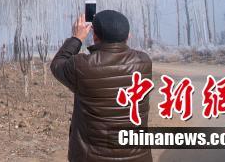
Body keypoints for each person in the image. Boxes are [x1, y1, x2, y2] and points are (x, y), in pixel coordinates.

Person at [50, 9, 152, 161]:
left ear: (95, 36)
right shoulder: (144, 62)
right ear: (128, 36)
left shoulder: (82, 66)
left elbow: (58, 63)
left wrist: (77, 38)